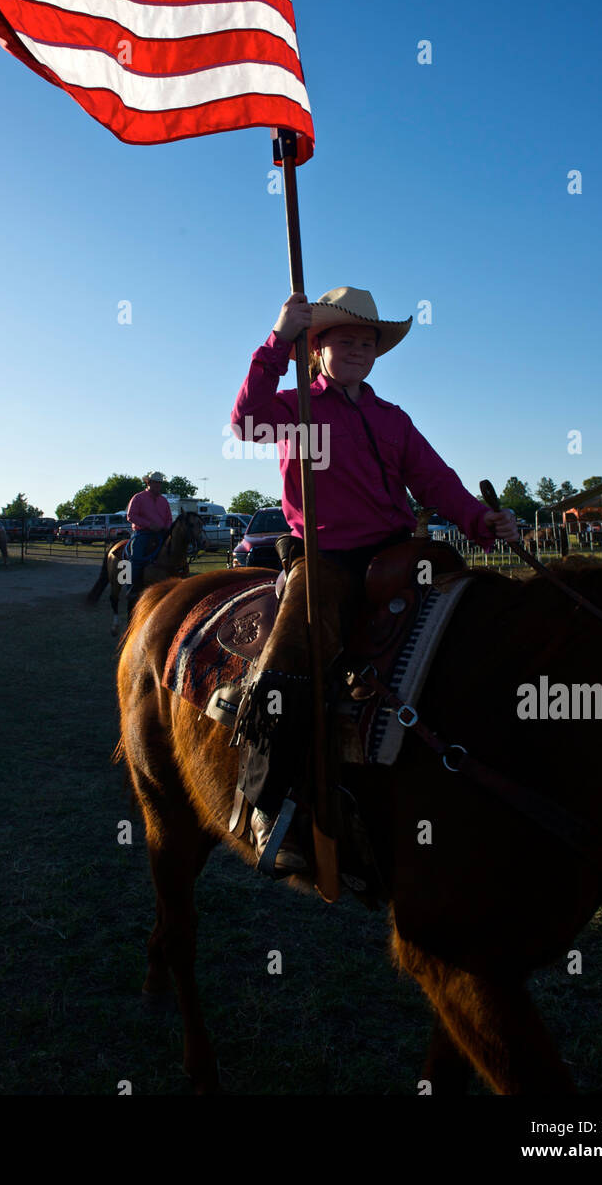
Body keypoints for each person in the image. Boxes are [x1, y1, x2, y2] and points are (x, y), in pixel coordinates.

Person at [229, 286, 520, 872]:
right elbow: (246, 422)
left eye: (369, 341)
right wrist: (276, 340)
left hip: (397, 549)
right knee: (293, 654)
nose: (360, 349)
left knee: (471, 614)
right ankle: (265, 802)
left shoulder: (393, 419)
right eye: (345, 340)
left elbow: (436, 482)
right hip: (327, 554)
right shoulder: (296, 410)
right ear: (318, 347)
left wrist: (480, 519)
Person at [124, 472, 172, 606]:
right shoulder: (138, 498)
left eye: (160, 483)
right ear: (148, 483)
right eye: (155, 482)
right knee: (136, 559)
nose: (158, 485)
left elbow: (169, 518)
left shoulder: (163, 500)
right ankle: (132, 589)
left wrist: (166, 527)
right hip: (143, 533)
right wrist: (150, 525)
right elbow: (131, 516)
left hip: (161, 533)